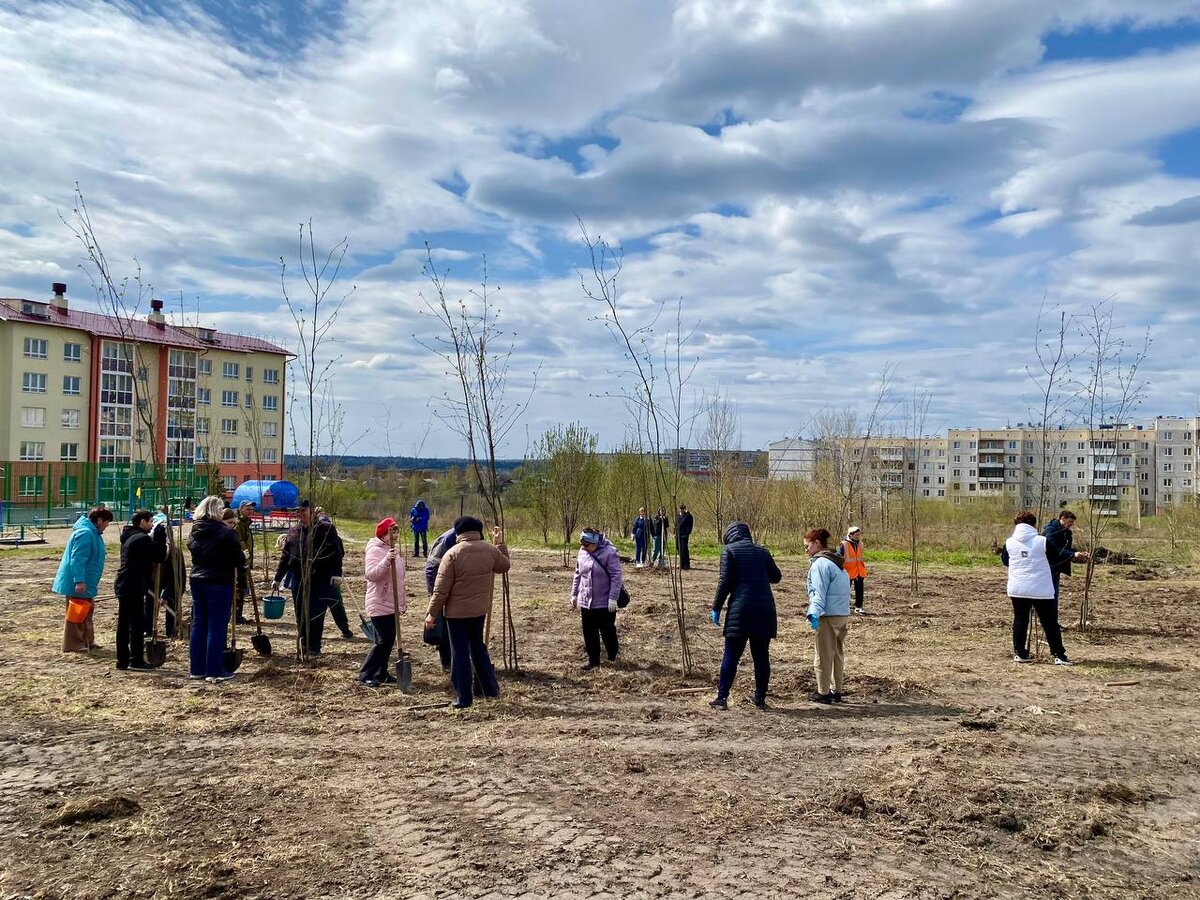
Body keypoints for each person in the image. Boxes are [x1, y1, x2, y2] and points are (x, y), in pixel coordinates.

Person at [424, 516, 510, 709]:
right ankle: (490, 689)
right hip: (479, 610)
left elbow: (441, 590)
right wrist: (500, 544)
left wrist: (431, 613)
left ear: (459, 533)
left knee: (460, 654)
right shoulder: (490, 550)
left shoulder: (452, 554)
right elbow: (504, 566)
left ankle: (463, 698)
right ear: (477, 531)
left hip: (456, 615)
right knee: (478, 647)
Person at [709, 521, 782, 710]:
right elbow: (776, 577)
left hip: (740, 611)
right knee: (761, 656)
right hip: (765, 610)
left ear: (729, 536)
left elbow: (725, 581)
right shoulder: (762, 552)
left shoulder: (729, 551)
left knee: (731, 655)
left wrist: (716, 607)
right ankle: (760, 699)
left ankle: (722, 698)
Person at [1002, 511, 1082, 666]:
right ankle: (1059, 655)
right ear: (1033, 524)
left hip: (1017, 588)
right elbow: (1056, 556)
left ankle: (1020, 653)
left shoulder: (1009, 542)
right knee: (1049, 622)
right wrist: (1073, 555)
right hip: (1040, 588)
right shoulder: (1042, 541)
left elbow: (1006, 561)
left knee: (1020, 620)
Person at [273, 500, 345, 656]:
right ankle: (303, 644)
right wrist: (278, 577)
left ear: (312, 512)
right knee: (300, 613)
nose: (300, 515)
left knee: (317, 613)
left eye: (303, 512)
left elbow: (338, 552)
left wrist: (337, 573)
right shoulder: (293, 532)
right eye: (298, 512)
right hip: (298, 580)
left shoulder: (326, 529)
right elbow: (286, 556)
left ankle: (314, 646)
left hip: (320, 578)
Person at [187, 495, 246, 682]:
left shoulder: (194, 531)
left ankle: (197, 668)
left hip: (197, 580)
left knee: (199, 623)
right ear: (215, 511)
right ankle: (215, 670)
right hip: (219, 581)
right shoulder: (225, 533)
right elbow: (238, 560)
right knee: (216, 625)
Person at [54, 507, 115, 652]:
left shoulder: (94, 533)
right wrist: (79, 580)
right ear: (99, 520)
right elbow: (78, 559)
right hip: (79, 582)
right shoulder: (85, 534)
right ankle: (73, 644)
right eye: (106, 522)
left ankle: (88, 640)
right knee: (77, 613)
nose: (107, 525)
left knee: (87, 610)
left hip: (88, 582)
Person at [113, 509, 167, 671]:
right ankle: (136, 660)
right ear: (142, 522)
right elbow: (159, 556)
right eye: (150, 521)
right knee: (136, 623)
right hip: (133, 585)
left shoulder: (129, 536)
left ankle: (122, 660)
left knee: (124, 623)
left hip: (124, 583)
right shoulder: (142, 539)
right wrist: (160, 539)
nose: (151, 525)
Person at [805, 527, 851, 704]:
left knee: (823, 655)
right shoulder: (837, 563)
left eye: (807, 546)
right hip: (842, 614)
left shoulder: (820, 565)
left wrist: (814, 613)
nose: (806, 550)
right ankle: (836, 690)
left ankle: (823, 693)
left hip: (827, 616)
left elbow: (818, 592)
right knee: (837, 654)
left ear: (817, 543)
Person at [359, 518, 406, 686]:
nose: (395, 535)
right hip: (379, 602)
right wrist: (386, 560)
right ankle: (365, 674)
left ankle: (381, 673)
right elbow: (371, 575)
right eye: (391, 532)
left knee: (388, 641)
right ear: (383, 534)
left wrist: (402, 603)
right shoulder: (375, 550)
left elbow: (399, 580)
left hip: (391, 604)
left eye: (396, 531)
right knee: (382, 642)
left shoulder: (393, 550)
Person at [571, 527, 623, 670]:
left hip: (605, 602)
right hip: (586, 600)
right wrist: (574, 594)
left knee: (607, 630)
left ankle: (612, 656)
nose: (584, 547)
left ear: (595, 542)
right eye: (582, 545)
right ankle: (593, 660)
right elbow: (577, 574)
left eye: (587, 545)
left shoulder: (609, 552)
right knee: (589, 631)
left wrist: (613, 598)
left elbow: (616, 576)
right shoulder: (582, 552)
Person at [315, 508, 355, 640]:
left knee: (335, 603)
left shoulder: (335, 539)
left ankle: (344, 628)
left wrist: (336, 571)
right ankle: (315, 633)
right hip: (317, 576)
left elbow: (340, 554)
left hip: (331, 576)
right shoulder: (313, 537)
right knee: (318, 606)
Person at [425, 526, 458, 671]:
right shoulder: (447, 541)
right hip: (444, 590)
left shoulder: (468, 538)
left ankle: (454, 659)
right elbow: (431, 567)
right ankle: (447, 662)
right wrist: (434, 592)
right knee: (443, 628)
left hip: (457, 593)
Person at [1043, 510, 1087, 603]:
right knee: (1050, 594)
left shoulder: (1066, 533)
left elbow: (1066, 548)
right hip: (1048, 565)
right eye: (1070, 521)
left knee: (1054, 594)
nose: (1071, 524)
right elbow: (1053, 549)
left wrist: (1078, 553)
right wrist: (1072, 554)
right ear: (1062, 518)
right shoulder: (1051, 530)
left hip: (1057, 566)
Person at [233, 500, 256, 625]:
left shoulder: (246, 524)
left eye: (251, 509)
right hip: (240, 561)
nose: (250, 511)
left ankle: (238, 614)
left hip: (245, 560)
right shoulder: (239, 525)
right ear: (241, 509)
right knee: (239, 588)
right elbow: (239, 544)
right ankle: (236, 615)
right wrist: (243, 559)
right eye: (247, 509)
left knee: (242, 587)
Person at [838, 526, 868, 615]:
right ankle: (843, 608)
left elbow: (860, 557)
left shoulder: (860, 544)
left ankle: (859, 607)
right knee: (845, 590)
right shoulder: (843, 544)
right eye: (856, 534)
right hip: (847, 571)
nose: (858, 536)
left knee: (860, 590)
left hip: (859, 570)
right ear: (851, 535)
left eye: (859, 534)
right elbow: (839, 557)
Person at [675, 504, 694, 571]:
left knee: (684, 549)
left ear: (685, 509)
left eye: (683, 509)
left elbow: (690, 526)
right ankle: (681, 563)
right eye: (680, 509)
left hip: (684, 535)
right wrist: (675, 532)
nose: (681, 510)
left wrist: (687, 533)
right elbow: (676, 525)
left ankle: (686, 564)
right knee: (679, 549)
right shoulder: (677, 516)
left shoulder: (688, 516)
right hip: (678, 535)